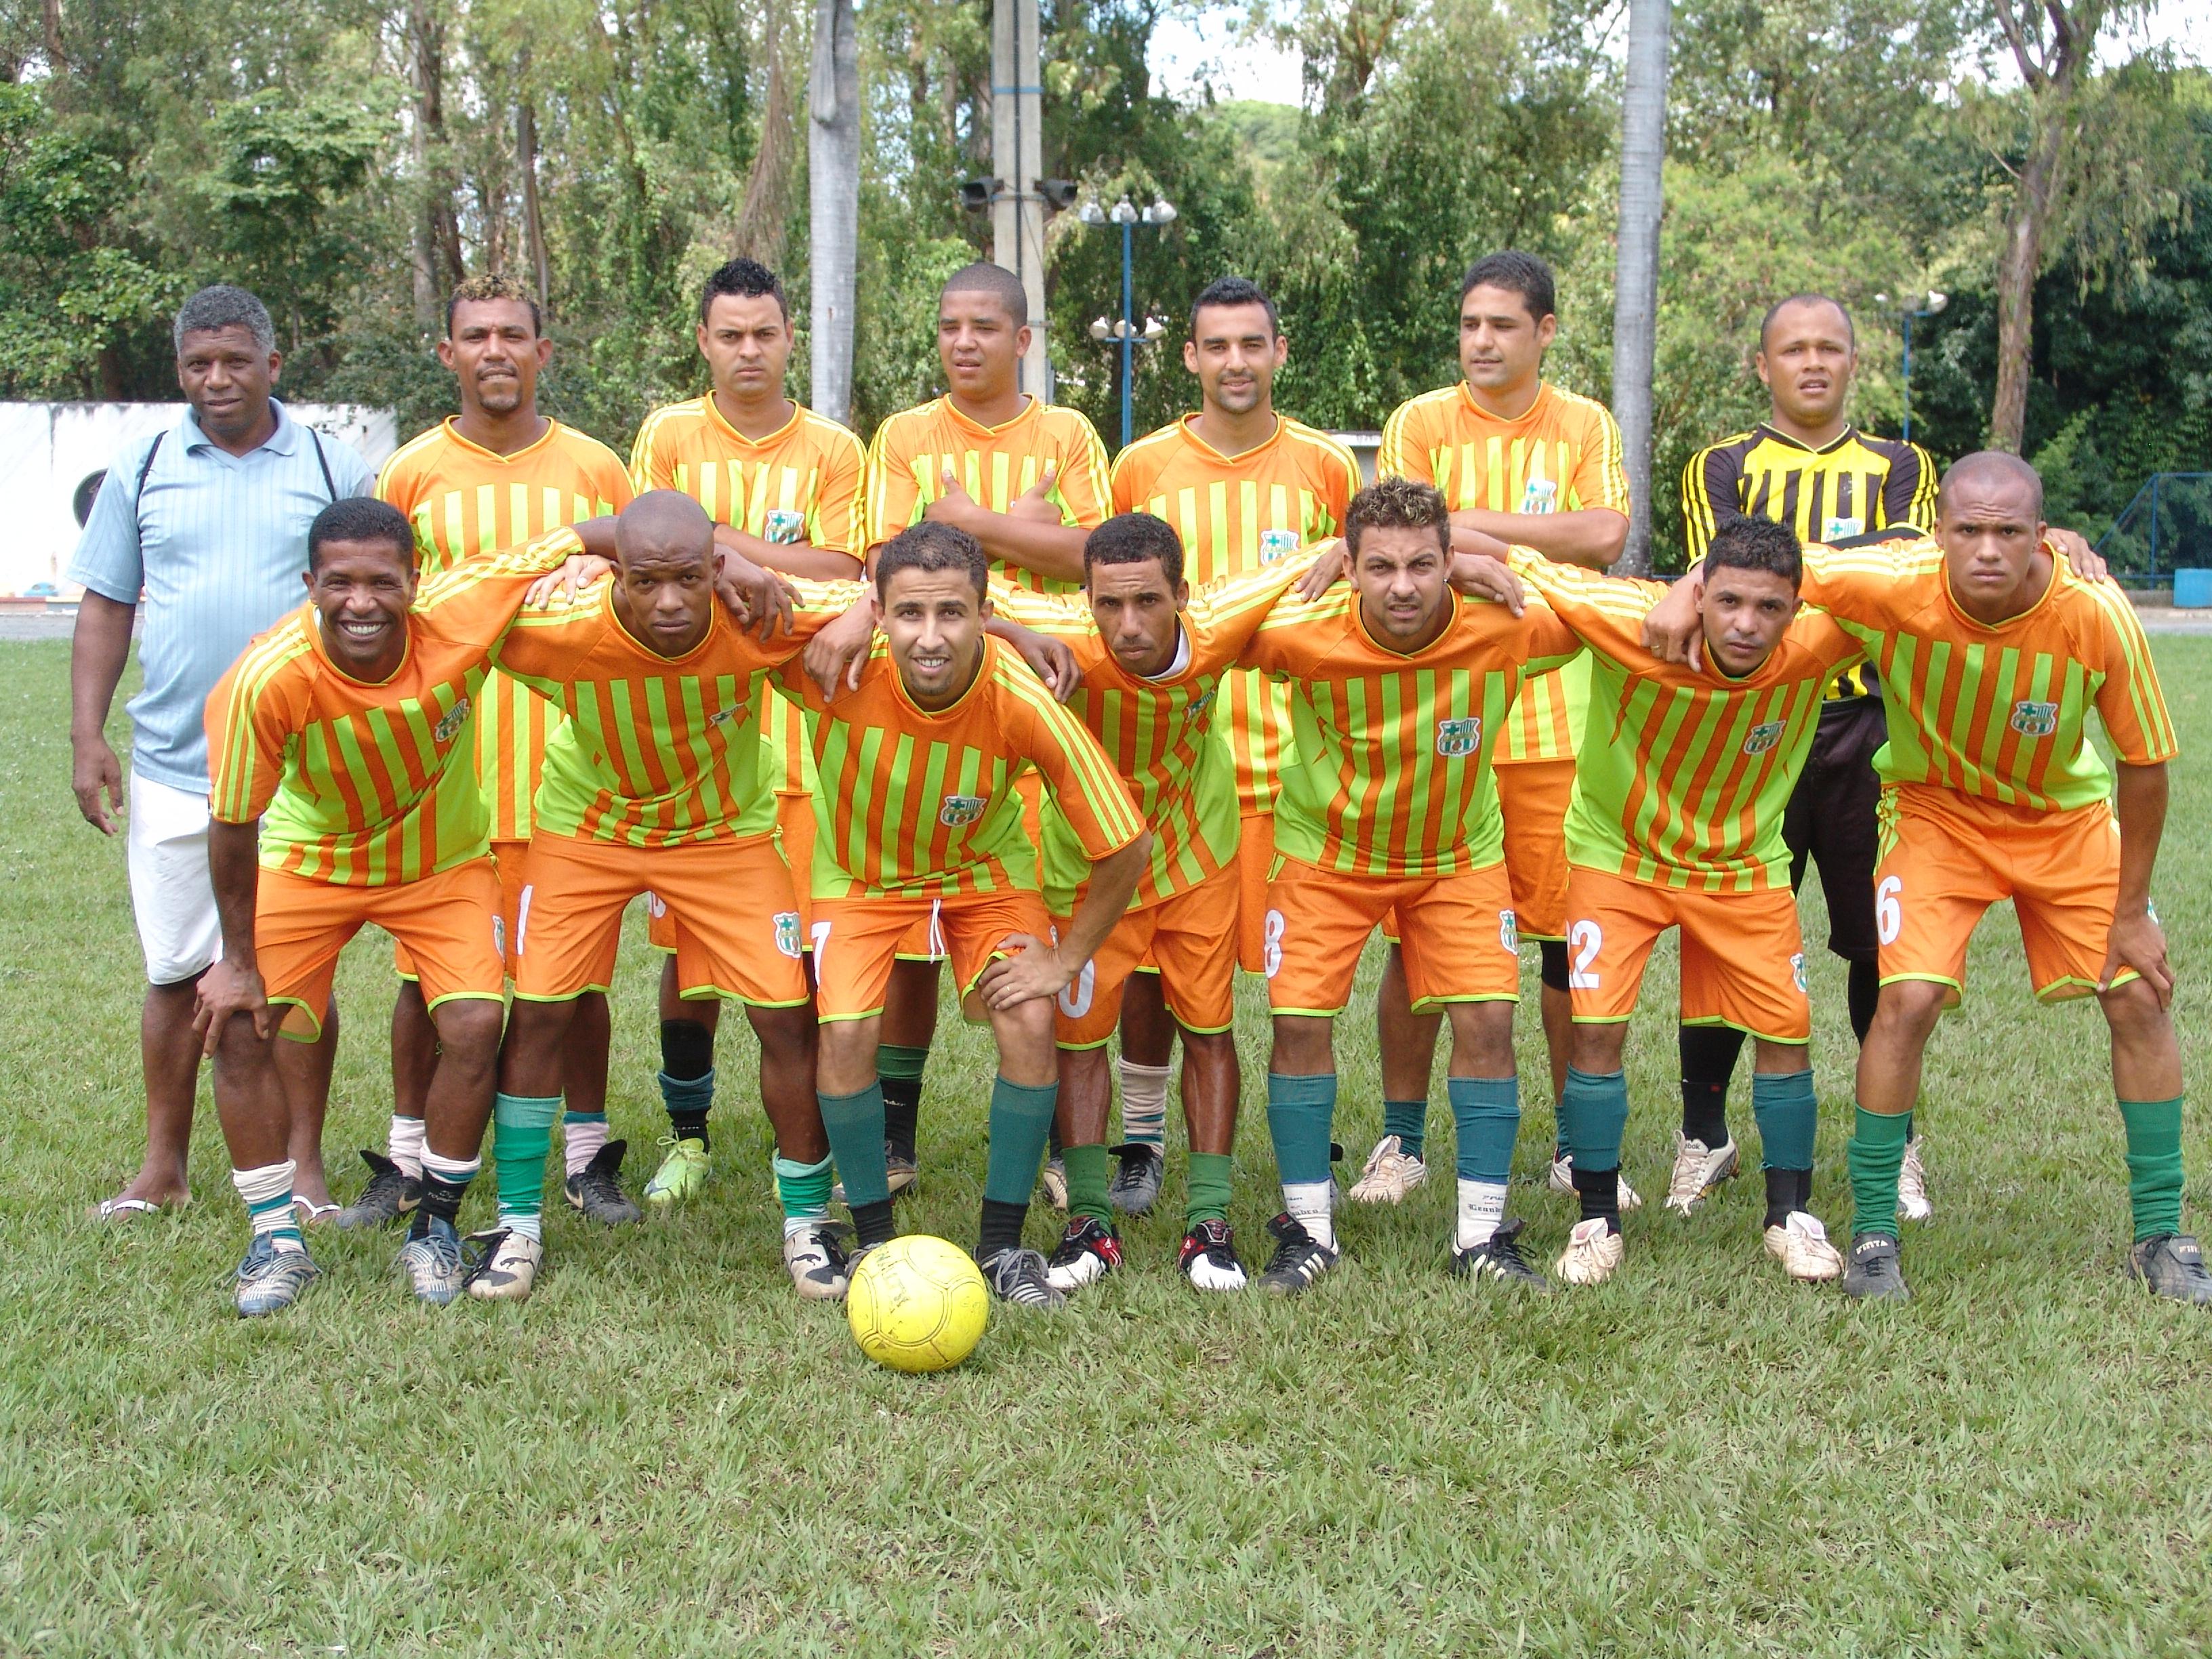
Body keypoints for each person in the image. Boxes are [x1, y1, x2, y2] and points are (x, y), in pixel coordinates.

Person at [1650, 452, 2207, 1305]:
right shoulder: (1890, 580)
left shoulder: (2095, 614)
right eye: (1969, 530)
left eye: (2009, 532)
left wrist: (2131, 911)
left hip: (2065, 820)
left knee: (2138, 994)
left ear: (2041, 536)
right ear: (1938, 533)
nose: (1987, 549)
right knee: (1903, 1000)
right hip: (1937, 814)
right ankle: (1875, 1231)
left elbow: (2146, 766)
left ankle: (2163, 1232)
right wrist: (1687, 585)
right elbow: (1760, 565)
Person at [195, 499, 577, 1315]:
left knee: (475, 1024)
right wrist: (235, 963)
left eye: (381, 582)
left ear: (416, 581)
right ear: (310, 585)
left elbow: (601, 529)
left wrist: (599, 563)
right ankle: (276, 1239)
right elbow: (231, 826)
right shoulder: (266, 678)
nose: (360, 602)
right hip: (312, 859)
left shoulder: (465, 609)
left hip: (441, 863)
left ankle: (434, 1224)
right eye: (339, 583)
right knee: (238, 1023)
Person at [476, 494, 857, 1304]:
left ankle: (807, 1221)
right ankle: (515, 1226)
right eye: (647, 582)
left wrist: (859, 614)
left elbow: (902, 585)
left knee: (787, 1015)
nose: (672, 603)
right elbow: (449, 597)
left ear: (718, 569)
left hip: (723, 832)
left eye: (689, 578)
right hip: (588, 828)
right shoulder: (556, 625)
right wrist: (572, 540)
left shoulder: (758, 608)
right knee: (540, 1009)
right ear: (614, 573)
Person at [1490, 520, 1864, 1288]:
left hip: (1743, 866)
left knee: (1788, 1032)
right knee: (1597, 1033)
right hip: (1617, 857)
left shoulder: (1824, 642)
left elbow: (1916, 575)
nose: (1745, 624)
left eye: (1769, 608)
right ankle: (1597, 1220)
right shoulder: (1623, 618)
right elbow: (1504, 554)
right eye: (1725, 600)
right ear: (1699, 595)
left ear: (1797, 609)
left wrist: (2055, 541)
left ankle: (1789, 1218)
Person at [68, 283, 374, 1223]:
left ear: (272, 365)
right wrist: (89, 734)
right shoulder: (146, 464)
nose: (216, 379)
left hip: (302, 771)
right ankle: (162, 1166)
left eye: (235, 360)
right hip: (172, 762)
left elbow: (375, 597)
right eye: (198, 363)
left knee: (292, 980)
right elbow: (108, 604)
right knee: (173, 973)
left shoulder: (332, 464)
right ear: (181, 372)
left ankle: (305, 1168)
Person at [785, 522, 1149, 1307]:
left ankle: (1001, 1247)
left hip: (981, 870)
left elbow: (1125, 845)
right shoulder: (837, 654)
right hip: (859, 874)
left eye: (952, 614)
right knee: (847, 1031)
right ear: (880, 614)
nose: (930, 637)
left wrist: (1066, 958)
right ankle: (876, 1243)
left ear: (985, 614)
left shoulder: (1020, 696)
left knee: (1029, 1018)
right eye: (908, 615)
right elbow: (715, 575)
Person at [347, 274, 636, 1235]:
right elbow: (375, 609)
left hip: (571, 772)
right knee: (424, 983)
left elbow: (650, 582)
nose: (497, 351)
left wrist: (611, 564)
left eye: (515, 334)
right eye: (477, 336)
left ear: (543, 353)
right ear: (449, 354)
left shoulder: (596, 468)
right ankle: (403, 1157)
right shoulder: (411, 473)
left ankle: (587, 1159)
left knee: (577, 983)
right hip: (445, 778)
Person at [1240, 478, 1576, 1294]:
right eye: (1380, 566)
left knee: (1489, 1023)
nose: (1402, 586)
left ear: (1450, 562)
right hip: (1328, 856)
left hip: (1458, 855)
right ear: (1348, 567)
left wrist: (1499, 558)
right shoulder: (1300, 631)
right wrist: (1305, 569)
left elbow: (1603, 601)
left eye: (1424, 565)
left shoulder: (1511, 624)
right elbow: (1207, 620)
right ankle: (1308, 1233)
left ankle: (1482, 1236)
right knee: (1298, 1026)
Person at [985, 512, 1319, 1292]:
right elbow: (941, 595)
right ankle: (1089, 1223)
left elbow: (1324, 551)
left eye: (1148, 603)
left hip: (1195, 858)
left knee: (1208, 1027)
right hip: (1089, 866)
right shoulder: (1059, 631)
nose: (1127, 626)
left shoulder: (1220, 626)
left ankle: (1210, 1222)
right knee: (1079, 1040)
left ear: (1185, 597)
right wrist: (1006, 626)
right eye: (1108, 606)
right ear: (1084, 599)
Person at [1370, 251, 1633, 1211]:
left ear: (1545, 332)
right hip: (1444, 724)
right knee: (1419, 940)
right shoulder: (1419, 421)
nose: (1481, 341)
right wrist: (1522, 533)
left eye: (1503, 326)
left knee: (1567, 945)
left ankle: (1573, 1145)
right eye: (1471, 324)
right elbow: (1402, 541)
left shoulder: (1585, 423)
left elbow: (1604, 536)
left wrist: (1467, 529)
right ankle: (1399, 1144)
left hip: (1559, 725)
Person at [1670, 293, 1936, 1220]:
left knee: (1877, 944)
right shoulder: (1724, 464)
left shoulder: (1901, 464)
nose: (1812, 363)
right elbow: (1726, 577)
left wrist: (1798, 561)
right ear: (1763, 365)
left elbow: (1907, 563)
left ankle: (1891, 1140)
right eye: (1794, 349)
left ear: (1854, 361)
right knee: (1723, 930)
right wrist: (1841, 564)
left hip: (1866, 727)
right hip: (1753, 727)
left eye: (1830, 348)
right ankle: (1702, 1137)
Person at [1104, 276, 1360, 1216]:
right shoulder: (1141, 466)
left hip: (1295, 764)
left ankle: (1305, 1128)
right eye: (1217, 346)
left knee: (1300, 971)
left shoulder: (1327, 466)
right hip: (1174, 765)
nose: (1236, 363)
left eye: (1253, 344)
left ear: (1279, 352)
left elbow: (1354, 597)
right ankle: (1140, 1136)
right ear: (1191, 358)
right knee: (1146, 969)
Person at [859, 262, 1114, 1205]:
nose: (963, 342)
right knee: (906, 941)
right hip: (930, 699)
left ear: (1022, 340)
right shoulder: (903, 435)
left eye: (982, 326)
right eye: (948, 326)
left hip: (1038, 704)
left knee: (1027, 918)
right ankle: (893, 1133)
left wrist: (968, 523)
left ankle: (1054, 1145)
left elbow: (1097, 555)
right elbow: (888, 561)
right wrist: (1016, 536)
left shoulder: (1068, 433)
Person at [628, 257, 866, 1208]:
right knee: (687, 963)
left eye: (764, 333)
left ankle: (802, 1145)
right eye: (730, 335)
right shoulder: (668, 434)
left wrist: (719, 545)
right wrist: (742, 560)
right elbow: (648, 547)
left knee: (799, 963)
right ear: (704, 341)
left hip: (804, 740)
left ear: (788, 337)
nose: (748, 350)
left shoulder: (836, 450)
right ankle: (688, 1137)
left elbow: (844, 567)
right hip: (695, 738)